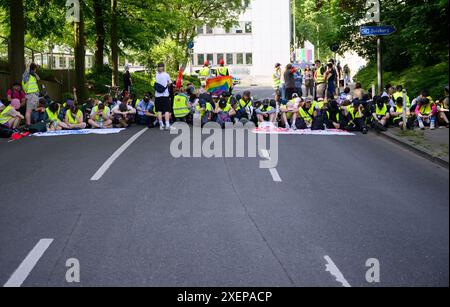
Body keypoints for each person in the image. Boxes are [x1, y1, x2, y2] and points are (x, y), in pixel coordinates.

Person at [154, 62, 172, 131]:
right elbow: (170, 83)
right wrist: (167, 83)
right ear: (163, 67)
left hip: (157, 95)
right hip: (165, 95)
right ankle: (167, 124)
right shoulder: (166, 75)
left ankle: (161, 125)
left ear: (158, 67)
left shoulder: (156, 75)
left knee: (159, 110)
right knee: (167, 110)